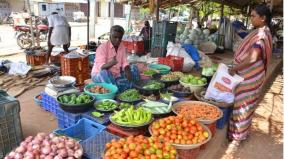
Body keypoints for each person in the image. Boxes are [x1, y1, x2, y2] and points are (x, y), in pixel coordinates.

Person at [227, 4, 272, 145]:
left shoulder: (261, 35)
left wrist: (235, 69)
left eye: (253, 16)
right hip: (249, 73)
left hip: (251, 76)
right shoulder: (260, 31)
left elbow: (252, 58)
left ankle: (237, 137)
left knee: (243, 106)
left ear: (263, 18)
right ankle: (238, 133)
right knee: (243, 104)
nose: (251, 19)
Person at [91, 25, 140, 92]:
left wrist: (127, 69)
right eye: (115, 37)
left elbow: (124, 62)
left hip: (115, 74)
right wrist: (112, 63)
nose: (117, 40)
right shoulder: (102, 48)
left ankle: (130, 86)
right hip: (99, 74)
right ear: (110, 36)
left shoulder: (122, 46)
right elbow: (101, 67)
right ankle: (115, 91)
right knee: (104, 73)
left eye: (120, 38)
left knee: (134, 68)